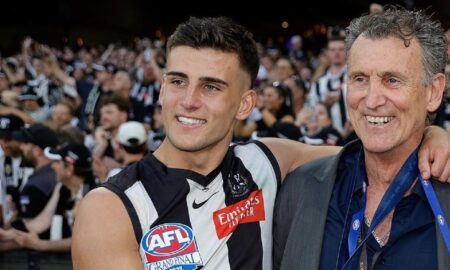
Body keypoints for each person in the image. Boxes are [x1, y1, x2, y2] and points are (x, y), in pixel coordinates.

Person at [73, 16, 450, 270]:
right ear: (160, 89)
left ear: (245, 104)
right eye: (177, 81)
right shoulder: (111, 208)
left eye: (211, 87)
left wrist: (433, 133)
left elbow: (377, 146)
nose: (188, 101)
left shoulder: (265, 162)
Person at [274, 7, 450, 269]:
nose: (371, 100)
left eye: (392, 80)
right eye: (359, 78)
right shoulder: (299, 189)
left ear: (434, 92)